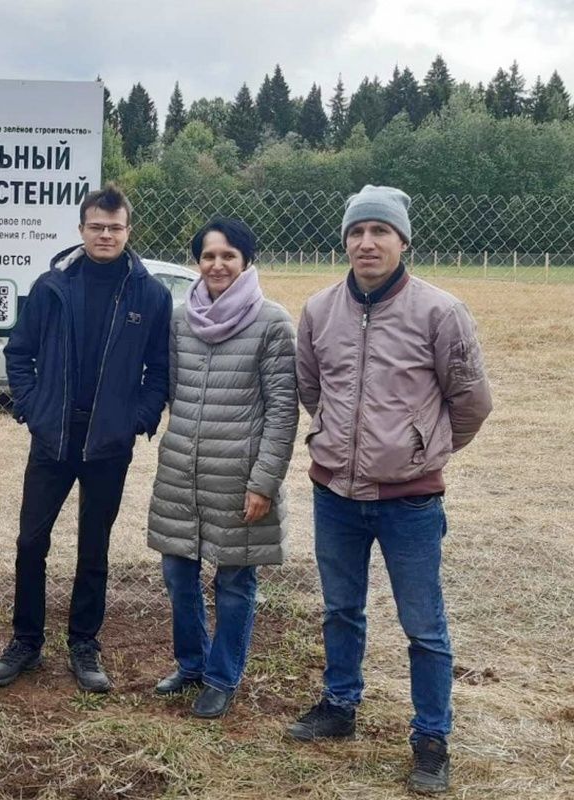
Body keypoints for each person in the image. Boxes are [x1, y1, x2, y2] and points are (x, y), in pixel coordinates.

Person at [287, 186, 493, 794]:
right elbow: (310, 387)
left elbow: (471, 403)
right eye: (357, 232)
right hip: (335, 497)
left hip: (410, 503)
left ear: (403, 241)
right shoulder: (319, 310)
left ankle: (431, 738)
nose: (367, 242)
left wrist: (422, 452)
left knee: (423, 624)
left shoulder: (440, 312)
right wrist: (336, 443)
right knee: (340, 608)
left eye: (380, 231)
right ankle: (339, 705)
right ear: (345, 240)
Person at [0, 184, 173, 693]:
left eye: (115, 227)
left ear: (128, 231)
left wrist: (137, 418)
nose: (105, 234)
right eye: (96, 226)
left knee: (95, 548)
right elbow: (18, 353)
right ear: (82, 229)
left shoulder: (149, 294)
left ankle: (84, 646)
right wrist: (31, 408)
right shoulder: (52, 287)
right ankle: (25, 642)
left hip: (108, 444)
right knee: (31, 542)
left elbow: (160, 370)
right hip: (53, 438)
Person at [147, 218, 298, 718]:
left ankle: (222, 676)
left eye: (228, 256)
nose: (217, 265)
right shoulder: (178, 319)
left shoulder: (272, 322)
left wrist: (264, 482)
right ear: (197, 262)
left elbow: (282, 410)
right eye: (209, 256)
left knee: (234, 581)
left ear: (246, 261)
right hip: (181, 472)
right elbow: (169, 389)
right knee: (177, 572)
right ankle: (191, 664)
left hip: (239, 476)